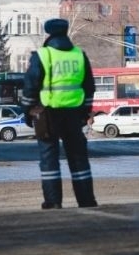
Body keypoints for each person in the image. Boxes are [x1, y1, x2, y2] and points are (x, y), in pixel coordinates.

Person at [21, 18, 98, 210]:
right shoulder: (80, 55)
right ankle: (86, 200)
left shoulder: (43, 55)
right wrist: (85, 112)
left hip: (48, 114)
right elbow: (89, 87)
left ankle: (53, 201)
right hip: (74, 114)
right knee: (79, 158)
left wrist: (27, 111)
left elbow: (30, 85)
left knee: (49, 159)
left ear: (49, 34)